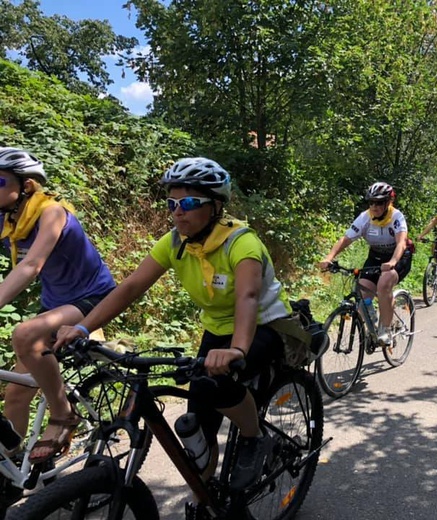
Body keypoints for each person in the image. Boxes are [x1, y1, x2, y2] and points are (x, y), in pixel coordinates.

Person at [54, 157, 291, 490]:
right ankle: (204, 494)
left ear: (215, 206)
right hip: (217, 330)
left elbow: (247, 298)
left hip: (263, 325)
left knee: (219, 384)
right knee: (199, 421)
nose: (178, 211)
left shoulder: (242, 243)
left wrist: (236, 349)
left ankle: (254, 439)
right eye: (172, 203)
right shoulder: (176, 242)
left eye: (190, 203)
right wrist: (82, 327)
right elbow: (132, 286)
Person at [0, 147, 115, 463]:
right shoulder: (9, 218)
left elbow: (30, 266)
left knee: (25, 335)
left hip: (93, 297)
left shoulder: (52, 212)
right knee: (15, 394)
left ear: (25, 186)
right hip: (55, 305)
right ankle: (10, 472)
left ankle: (64, 415)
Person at [318, 182, 412, 346]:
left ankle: (386, 330)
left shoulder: (396, 217)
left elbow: (401, 243)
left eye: (379, 202)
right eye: (371, 202)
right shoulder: (365, 217)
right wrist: (329, 257)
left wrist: (392, 262)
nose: (374, 206)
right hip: (376, 257)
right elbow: (345, 239)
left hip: (398, 257)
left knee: (384, 284)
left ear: (389, 202)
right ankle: (374, 321)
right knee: (362, 291)